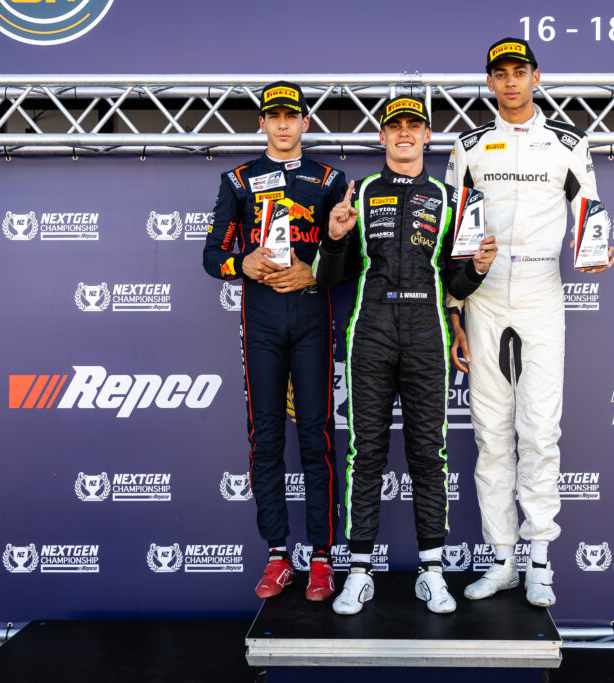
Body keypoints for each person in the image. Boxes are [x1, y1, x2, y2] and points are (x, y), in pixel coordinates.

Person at [445, 38, 614, 607]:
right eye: (501, 74)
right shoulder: (469, 146)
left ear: (536, 78)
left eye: (520, 72)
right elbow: (453, 238)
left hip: (543, 289)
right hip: (484, 294)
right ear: (490, 83)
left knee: (540, 431)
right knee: (490, 435)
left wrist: (597, 249)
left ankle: (540, 559)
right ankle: (502, 560)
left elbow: (589, 212)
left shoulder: (569, 142)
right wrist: (455, 311)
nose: (511, 82)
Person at [313, 96, 498, 615]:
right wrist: (334, 238)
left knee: (428, 454)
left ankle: (432, 573)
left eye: (414, 125)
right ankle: (359, 573)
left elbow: (456, 282)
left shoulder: (450, 197)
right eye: (394, 126)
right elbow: (328, 279)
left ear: (427, 136)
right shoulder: (358, 193)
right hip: (370, 330)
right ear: (382, 136)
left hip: (426, 332)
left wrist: (478, 268)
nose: (404, 133)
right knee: (365, 452)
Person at [202, 81, 348, 602]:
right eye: (274, 116)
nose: (283, 124)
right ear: (261, 123)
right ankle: (277, 555)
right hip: (261, 321)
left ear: (306, 122)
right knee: (265, 438)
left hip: (311, 317)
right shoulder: (238, 180)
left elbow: (350, 259)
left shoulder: (329, 180)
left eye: (292, 116)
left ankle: (323, 559)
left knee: (316, 437)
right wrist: (241, 262)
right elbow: (212, 256)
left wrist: (315, 272)